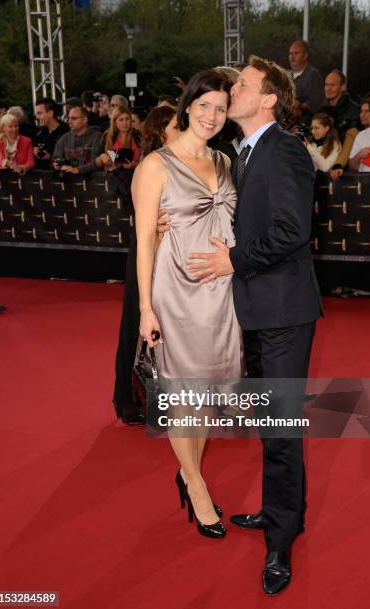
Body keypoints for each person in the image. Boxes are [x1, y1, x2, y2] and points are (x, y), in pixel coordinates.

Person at [185, 56, 322, 595]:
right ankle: (280, 511)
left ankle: (281, 539)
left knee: (282, 429)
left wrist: (234, 261)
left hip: (285, 311)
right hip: (256, 309)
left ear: (268, 99)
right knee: (271, 423)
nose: (232, 88)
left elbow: (293, 230)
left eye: (242, 84)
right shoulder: (241, 153)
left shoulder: (284, 148)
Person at [135, 70, 241, 539]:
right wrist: (145, 309)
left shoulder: (224, 160)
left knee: (204, 396)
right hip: (175, 292)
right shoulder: (155, 166)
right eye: (204, 105)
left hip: (221, 293)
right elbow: (143, 244)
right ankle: (196, 485)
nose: (211, 116)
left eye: (220, 108)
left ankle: (187, 471)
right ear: (187, 105)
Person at [112, 106, 179, 426]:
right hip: (147, 252)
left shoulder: (186, 163)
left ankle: (160, 399)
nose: (185, 131)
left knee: (170, 330)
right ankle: (124, 397)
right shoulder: (149, 167)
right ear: (161, 130)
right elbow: (143, 219)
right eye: (178, 126)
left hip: (174, 257)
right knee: (135, 327)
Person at [321, 69, 360, 180]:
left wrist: (339, 164)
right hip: (323, 166)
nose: (328, 88)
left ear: (343, 87)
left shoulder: (354, 110)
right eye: (326, 85)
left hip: (344, 170)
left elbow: (351, 142)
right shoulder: (321, 109)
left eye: (333, 85)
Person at [52, 106, 102, 175]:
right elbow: (55, 159)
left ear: (85, 120)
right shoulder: (64, 138)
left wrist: (77, 170)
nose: (69, 121)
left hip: (92, 183)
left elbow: (98, 162)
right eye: (68, 118)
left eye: (73, 118)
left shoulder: (97, 137)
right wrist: (56, 164)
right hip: (69, 183)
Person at [95, 107, 140, 171]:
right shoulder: (108, 136)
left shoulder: (137, 135)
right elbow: (96, 163)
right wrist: (102, 157)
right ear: (114, 122)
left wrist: (134, 165)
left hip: (135, 174)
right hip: (113, 176)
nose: (125, 123)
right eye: (121, 120)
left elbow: (146, 159)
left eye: (127, 119)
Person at [288, 40, 325, 114]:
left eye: (296, 53)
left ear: (305, 55)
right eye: (290, 53)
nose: (292, 57)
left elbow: (317, 103)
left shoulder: (312, 75)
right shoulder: (287, 75)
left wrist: (299, 104)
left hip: (306, 122)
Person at [33, 97, 69, 169]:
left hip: (63, 176)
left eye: (39, 113)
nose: (37, 117)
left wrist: (50, 157)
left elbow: (73, 156)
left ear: (50, 113)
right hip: (42, 175)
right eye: (36, 114)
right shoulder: (38, 132)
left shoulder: (67, 131)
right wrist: (35, 152)